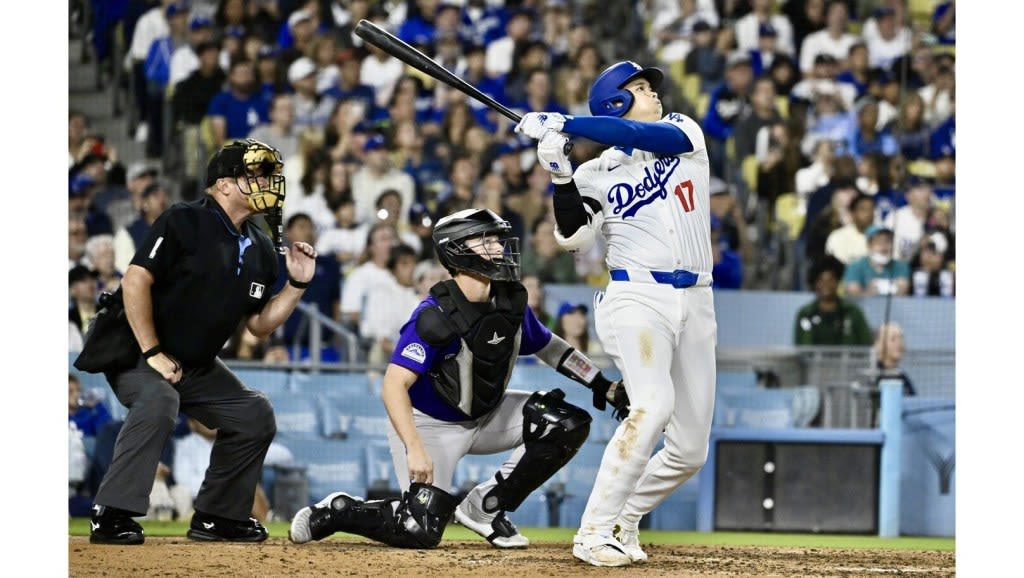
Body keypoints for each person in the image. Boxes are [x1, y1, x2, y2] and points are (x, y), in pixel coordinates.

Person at [287, 208, 629, 550]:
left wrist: (604, 385)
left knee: (565, 424)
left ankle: (487, 507)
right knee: (417, 530)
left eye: (497, 239)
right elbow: (392, 385)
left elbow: (551, 348)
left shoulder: (510, 301)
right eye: (487, 240)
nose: (499, 248)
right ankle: (340, 510)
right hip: (429, 425)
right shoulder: (433, 315)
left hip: (487, 414)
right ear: (457, 251)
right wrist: (415, 449)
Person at [514, 60, 718, 567]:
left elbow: (632, 132)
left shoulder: (681, 132)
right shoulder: (595, 172)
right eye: (641, 89)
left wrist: (566, 123)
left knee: (690, 450)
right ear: (616, 101)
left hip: (697, 299)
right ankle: (593, 531)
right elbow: (573, 237)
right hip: (636, 299)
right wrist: (561, 175)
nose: (653, 94)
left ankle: (625, 520)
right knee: (651, 405)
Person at [79, 139, 317, 545]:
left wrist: (296, 284)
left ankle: (217, 517)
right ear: (222, 185)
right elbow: (136, 279)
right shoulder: (183, 220)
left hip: (195, 362)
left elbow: (258, 326)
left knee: (253, 413)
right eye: (256, 174)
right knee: (159, 400)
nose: (268, 183)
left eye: (269, 175)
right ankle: (112, 513)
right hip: (136, 348)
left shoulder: (260, 244)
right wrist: (153, 351)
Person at [794, 256, 873, 346]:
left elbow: (866, 346)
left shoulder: (853, 312)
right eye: (821, 280)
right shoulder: (806, 314)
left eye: (830, 280)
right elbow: (802, 349)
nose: (826, 284)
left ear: (837, 281)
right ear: (815, 283)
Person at [843, 224, 911, 297]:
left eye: (888, 241)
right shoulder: (855, 266)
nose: (884, 247)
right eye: (878, 242)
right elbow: (853, 293)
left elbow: (903, 290)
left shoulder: (901, 266)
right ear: (869, 245)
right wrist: (868, 292)